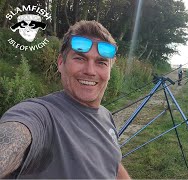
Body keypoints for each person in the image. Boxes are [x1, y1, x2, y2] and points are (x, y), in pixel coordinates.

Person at [0, 20, 130, 179]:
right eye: (80, 59)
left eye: (101, 62)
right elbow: (13, 136)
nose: (90, 71)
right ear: (61, 63)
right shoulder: (41, 115)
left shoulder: (106, 116)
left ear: (110, 69)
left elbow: (112, 162)